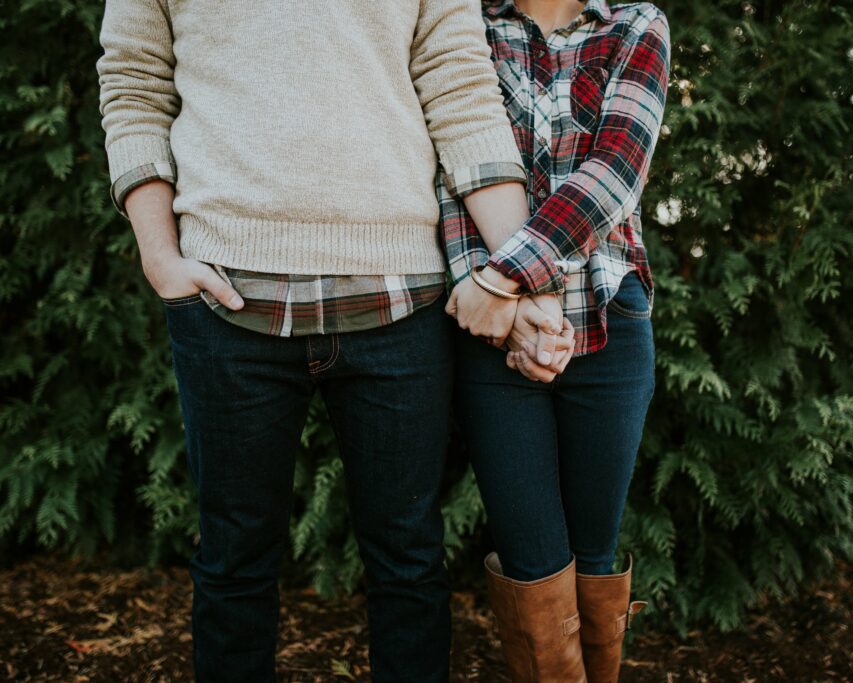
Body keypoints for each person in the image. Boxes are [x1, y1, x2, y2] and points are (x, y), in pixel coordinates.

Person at [95, 1, 539, 681]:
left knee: (409, 562)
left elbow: (461, 91)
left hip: (401, 301)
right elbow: (133, 82)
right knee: (234, 561)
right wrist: (159, 254)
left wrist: (521, 273)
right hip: (225, 302)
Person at [439, 1, 671, 681]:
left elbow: (615, 172)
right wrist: (503, 308)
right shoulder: (464, 25)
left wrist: (506, 280)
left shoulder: (634, 24)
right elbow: (451, 168)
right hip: (494, 333)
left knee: (594, 559)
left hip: (608, 317)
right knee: (533, 564)